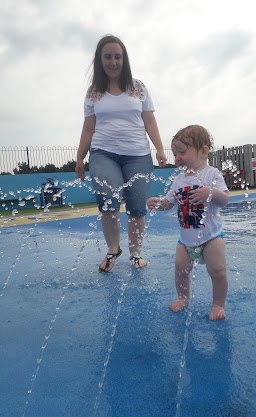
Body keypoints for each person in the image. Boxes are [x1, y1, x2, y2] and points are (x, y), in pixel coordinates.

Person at [75, 34, 167, 272]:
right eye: (108, 56)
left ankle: (136, 254)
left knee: (137, 207)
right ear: (100, 60)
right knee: (108, 200)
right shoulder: (93, 92)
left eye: (118, 56)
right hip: (103, 153)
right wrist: (79, 157)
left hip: (138, 154)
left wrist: (158, 147)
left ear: (124, 59)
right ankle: (113, 248)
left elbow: (150, 120)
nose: (113, 62)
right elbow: (88, 128)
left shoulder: (138, 87)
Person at [147, 125, 229, 320]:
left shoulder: (212, 174)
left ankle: (218, 304)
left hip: (211, 237)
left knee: (217, 271)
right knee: (180, 270)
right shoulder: (178, 180)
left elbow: (225, 199)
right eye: (175, 154)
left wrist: (210, 192)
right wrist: (158, 203)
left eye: (182, 152)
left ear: (203, 151)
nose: (177, 158)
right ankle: (183, 297)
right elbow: (168, 203)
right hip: (185, 240)